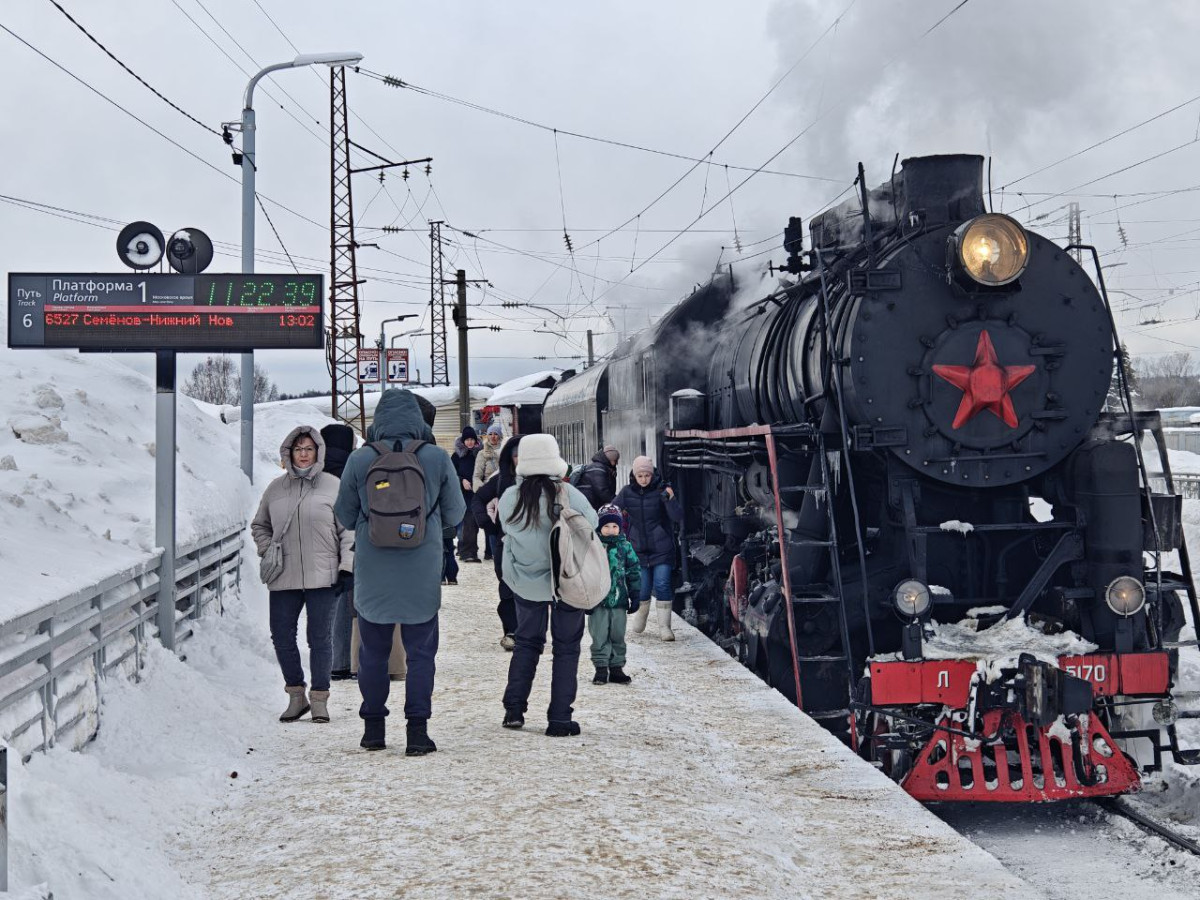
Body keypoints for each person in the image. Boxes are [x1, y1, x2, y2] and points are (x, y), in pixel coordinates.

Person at [335, 389, 466, 755]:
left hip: (373, 573)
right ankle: (417, 732)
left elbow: (344, 515)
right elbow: (456, 513)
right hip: (421, 573)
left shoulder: (360, 459)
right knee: (420, 655)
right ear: (417, 420)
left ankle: (373, 729)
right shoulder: (436, 457)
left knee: (373, 654)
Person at [251, 426, 353, 723]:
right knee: (282, 636)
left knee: (319, 638)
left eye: (309, 448)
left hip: (324, 576)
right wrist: (268, 549)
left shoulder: (333, 486)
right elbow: (260, 525)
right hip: (284, 575)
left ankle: (319, 698)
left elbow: (348, 531)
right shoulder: (275, 489)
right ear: (289, 453)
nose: (304, 454)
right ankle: (296, 695)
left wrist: (347, 567)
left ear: (318, 451)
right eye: (298, 449)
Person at [498, 433, 598, 736]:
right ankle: (560, 719)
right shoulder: (568, 494)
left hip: (526, 583)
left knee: (526, 643)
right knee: (567, 648)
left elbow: (506, 532)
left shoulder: (511, 498)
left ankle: (514, 710)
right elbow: (592, 524)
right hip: (567, 581)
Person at [615, 455, 682, 641]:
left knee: (662, 584)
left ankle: (665, 628)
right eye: (640, 476)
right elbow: (611, 512)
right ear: (634, 475)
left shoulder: (662, 491)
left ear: (652, 475)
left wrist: (670, 499)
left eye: (647, 475)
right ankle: (642, 615)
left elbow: (677, 517)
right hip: (638, 550)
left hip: (662, 547)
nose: (644, 479)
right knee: (643, 589)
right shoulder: (627, 492)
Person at [472, 435, 522, 649]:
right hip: (505, 541)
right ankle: (512, 631)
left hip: (535, 544)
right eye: (516, 456)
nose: (520, 460)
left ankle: (528, 631)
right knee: (507, 587)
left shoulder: (545, 480)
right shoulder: (502, 479)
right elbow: (478, 498)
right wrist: (487, 524)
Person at [590, 504, 641, 685]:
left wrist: (635, 594)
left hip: (619, 600)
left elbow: (634, 571)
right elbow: (586, 573)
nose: (611, 530)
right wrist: (586, 600)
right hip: (598, 601)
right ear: (599, 527)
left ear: (620, 527)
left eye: (614, 526)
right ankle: (601, 668)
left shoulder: (625, 546)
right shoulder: (593, 546)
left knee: (618, 635)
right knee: (599, 636)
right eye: (606, 526)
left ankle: (616, 668)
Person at [453, 426, 481, 562]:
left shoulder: (479, 454)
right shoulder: (456, 456)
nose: (470, 442)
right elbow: (451, 474)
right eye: (467, 440)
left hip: (477, 492)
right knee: (467, 522)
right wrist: (462, 480)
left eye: (472, 439)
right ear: (463, 441)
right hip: (462, 493)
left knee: (473, 522)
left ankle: (467, 549)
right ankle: (467, 552)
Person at [574, 445, 620, 509]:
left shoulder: (602, 467)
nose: (617, 463)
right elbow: (602, 490)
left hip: (591, 502)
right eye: (615, 460)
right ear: (610, 459)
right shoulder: (598, 469)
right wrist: (617, 502)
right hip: (588, 503)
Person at [473, 422, 505, 492]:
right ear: (487, 436)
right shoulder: (482, 453)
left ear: (500, 436)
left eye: (496, 434)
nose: (493, 436)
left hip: (504, 488)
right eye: (490, 434)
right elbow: (477, 477)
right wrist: (483, 490)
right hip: (489, 489)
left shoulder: (506, 450)